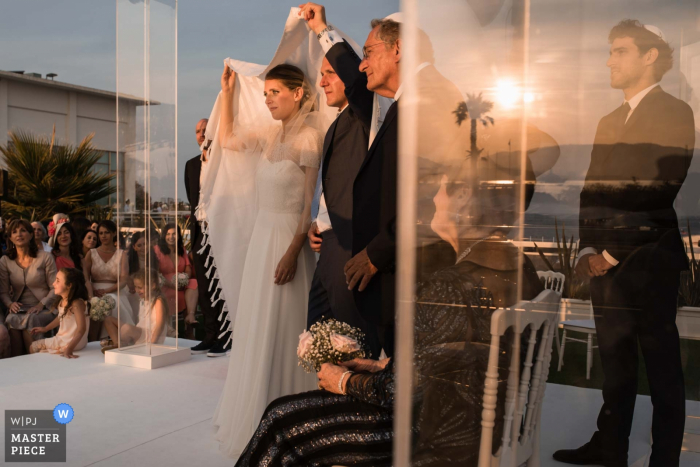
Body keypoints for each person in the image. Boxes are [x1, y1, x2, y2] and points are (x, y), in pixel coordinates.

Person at [234, 153, 544, 467]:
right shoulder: (520, 268)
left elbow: (399, 394)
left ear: (463, 197)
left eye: (442, 187)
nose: (434, 197)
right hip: (487, 426)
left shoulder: (448, 286)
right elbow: (464, 360)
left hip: (433, 435)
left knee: (280, 420)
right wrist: (382, 366)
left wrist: (341, 379)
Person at [554, 21, 694, 467]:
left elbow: (658, 189)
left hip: (649, 264)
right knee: (615, 363)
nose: (609, 60)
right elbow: (591, 190)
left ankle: (665, 459)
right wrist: (587, 251)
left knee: (662, 366)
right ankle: (610, 446)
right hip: (606, 266)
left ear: (650, 56)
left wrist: (611, 253)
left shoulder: (676, 112)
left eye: (619, 51)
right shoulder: (608, 120)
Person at [211, 57, 326, 457]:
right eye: (265, 94)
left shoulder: (310, 138)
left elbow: (308, 206)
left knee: (285, 323)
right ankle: (260, 410)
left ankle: (293, 420)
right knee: (260, 325)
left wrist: (293, 252)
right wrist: (227, 95)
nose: (269, 100)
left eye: (275, 93)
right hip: (263, 236)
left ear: (298, 93)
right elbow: (227, 140)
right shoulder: (270, 133)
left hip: (286, 242)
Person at [301, 5, 401, 356]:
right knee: (318, 347)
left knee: (353, 351)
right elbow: (339, 186)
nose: (323, 80)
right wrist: (320, 222)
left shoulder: (369, 114)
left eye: (330, 71)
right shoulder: (335, 127)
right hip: (327, 250)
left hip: (351, 251)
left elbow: (357, 81)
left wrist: (321, 30)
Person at [185, 118, 230, 355]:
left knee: (221, 285)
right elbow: (193, 202)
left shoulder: (225, 162)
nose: (201, 134)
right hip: (199, 233)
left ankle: (226, 336)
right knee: (204, 287)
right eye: (197, 131)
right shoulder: (190, 165)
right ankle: (210, 336)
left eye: (205, 130)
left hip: (222, 231)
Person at [1, 219, 58, 356]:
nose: (19, 234)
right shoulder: (5, 261)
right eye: (14, 232)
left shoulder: (45, 257)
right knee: (11, 318)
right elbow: (3, 292)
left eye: (23, 230)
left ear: (31, 235)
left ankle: (35, 360)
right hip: (20, 308)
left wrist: (41, 304)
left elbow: (55, 288)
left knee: (31, 319)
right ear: (10, 238)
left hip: (45, 308)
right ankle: (17, 363)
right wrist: (10, 303)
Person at [83, 219, 134, 342]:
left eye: (106, 232)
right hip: (93, 292)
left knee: (114, 302)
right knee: (95, 306)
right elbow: (85, 278)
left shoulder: (121, 254)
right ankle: (94, 341)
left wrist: (107, 290)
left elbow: (123, 279)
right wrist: (91, 295)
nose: (103, 236)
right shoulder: (91, 253)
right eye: (100, 233)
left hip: (115, 290)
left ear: (113, 234)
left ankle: (115, 340)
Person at [102, 267, 168, 352]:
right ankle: (117, 344)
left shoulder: (158, 300)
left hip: (150, 337)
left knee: (127, 329)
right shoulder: (143, 299)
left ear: (153, 286)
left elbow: (160, 325)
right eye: (135, 287)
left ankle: (121, 344)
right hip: (141, 332)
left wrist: (152, 344)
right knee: (108, 320)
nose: (137, 290)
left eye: (140, 287)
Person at [28, 267, 89, 358]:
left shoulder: (77, 303)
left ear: (69, 285)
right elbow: (61, 317)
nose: (53, 284)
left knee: (33, 347)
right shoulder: (63, 300)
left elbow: (81, 329)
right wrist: (46, 328)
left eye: (58, 281)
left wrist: (69, 349)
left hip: (70, 342)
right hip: (68, 340)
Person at [153, 223, 198, 339]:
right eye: (168, 234)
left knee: (193, 283)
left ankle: (190, 318)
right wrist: (171, 284)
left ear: (178, 235)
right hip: (164, 284)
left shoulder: (181, 249)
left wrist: (184, 278)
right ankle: (168, 331)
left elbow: (188, 268)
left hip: (181, 284)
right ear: (164, 235)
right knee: (170, 294)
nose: (171, 237)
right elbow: (156, 272)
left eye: (174, 234)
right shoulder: (157, 249)